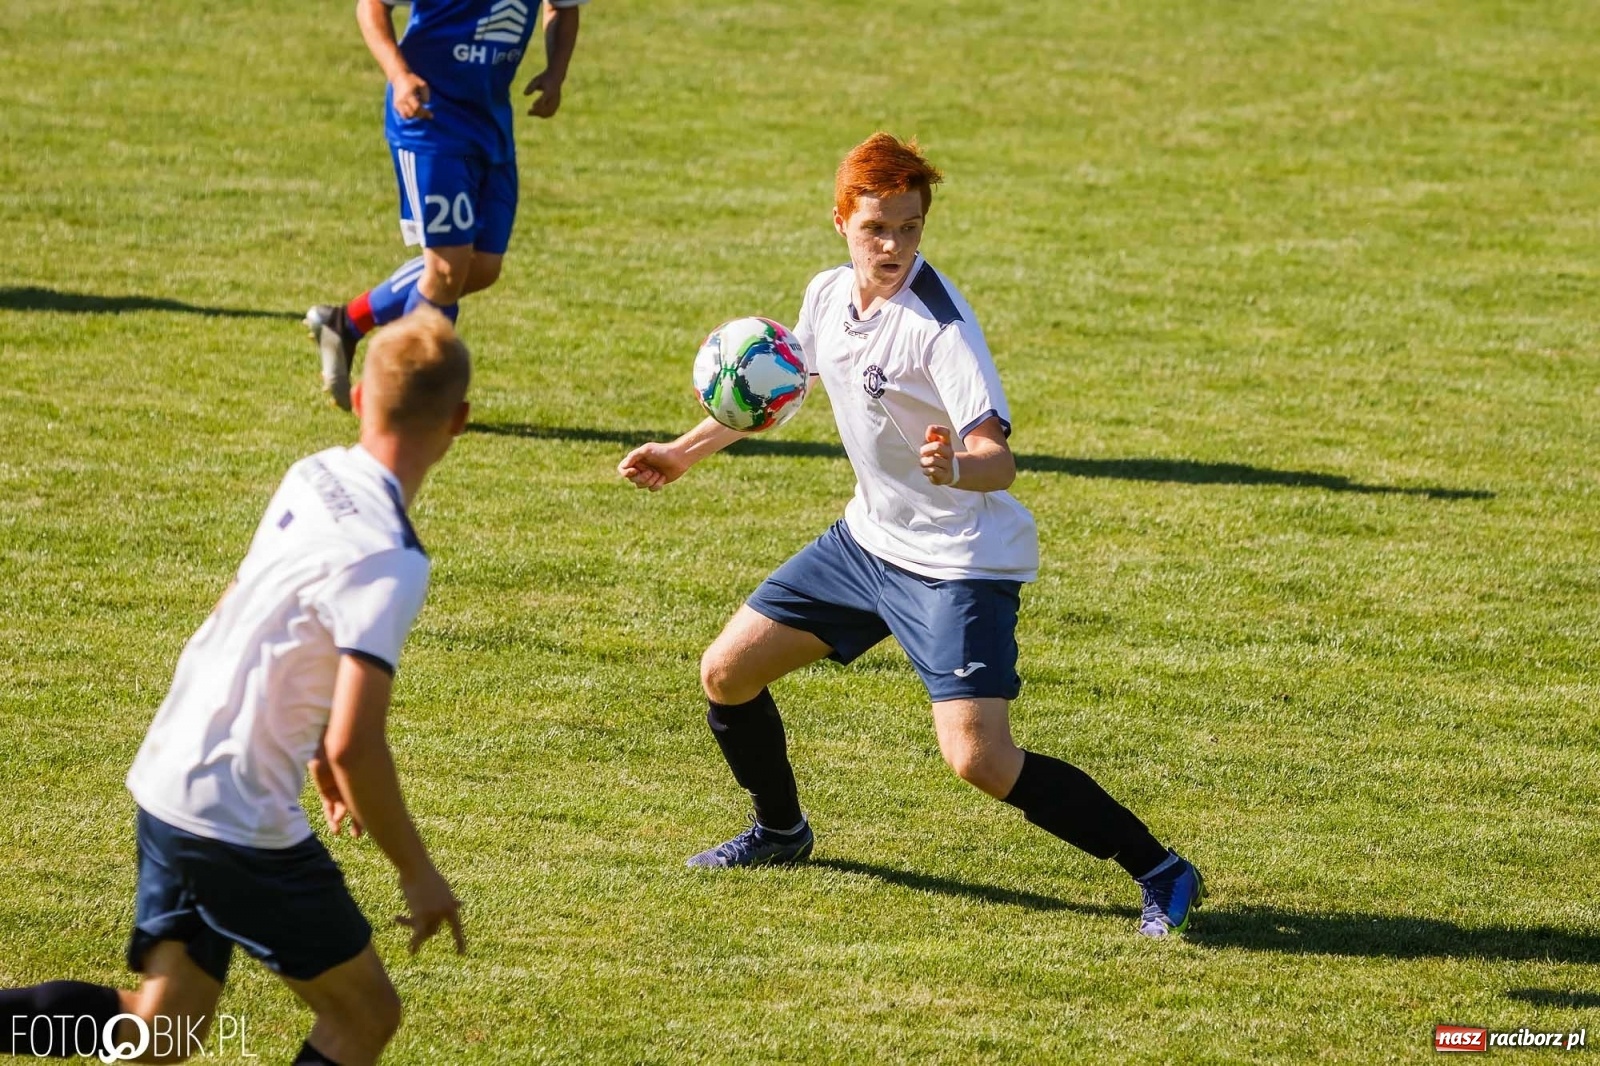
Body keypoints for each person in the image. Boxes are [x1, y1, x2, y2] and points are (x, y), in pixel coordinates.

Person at [618, 133, 1205, 938]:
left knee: (980, 760)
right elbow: (783, 392)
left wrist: (956, 468)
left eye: (910, 228)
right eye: (876, 229)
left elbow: (998, 458)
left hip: (957, 563)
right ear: (840, 223)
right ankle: (784, 833)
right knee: (725, 673)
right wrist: (682, 454)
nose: (893, 247)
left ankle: (1162, 869)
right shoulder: (827, 297)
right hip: (866, 546)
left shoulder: (940, 327)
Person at [2, 309, 472, 1065]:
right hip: (234, 815)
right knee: (364, 1016)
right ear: (460, 421)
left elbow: (249, 610)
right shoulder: (391, 557)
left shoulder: (313, 474)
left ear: (358, 400)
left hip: (170, 768)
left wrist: (315, 750)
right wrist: (418, 872)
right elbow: (357, 744)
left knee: (160, 1032)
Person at [305, 0, 586, 410]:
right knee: (447, 268)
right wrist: (399, 76)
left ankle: (345, 322)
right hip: (429, 123)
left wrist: (555, 72)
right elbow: (372, 6)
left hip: (490, 127)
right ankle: (402, 395)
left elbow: (563, 7)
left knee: (483, 267)